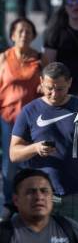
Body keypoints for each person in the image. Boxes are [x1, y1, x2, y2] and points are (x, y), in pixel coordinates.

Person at [9, 63, 78, 228]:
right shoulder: (29, 111)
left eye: (60, 89)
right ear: (41, 82)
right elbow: (14, 153)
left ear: (70, 83)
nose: (54, 94)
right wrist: (34, 148)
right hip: (40, 195)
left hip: (75, 193)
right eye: (49, 88)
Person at [0, 19, 42, 207]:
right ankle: (10, 201)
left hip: (32, 120)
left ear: (33, 36)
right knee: (10, 164)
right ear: (12, 36)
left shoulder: (40, 59)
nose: (24, 35)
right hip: (7, 118)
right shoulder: (3, 59)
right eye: (20, 31)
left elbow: (47, 87)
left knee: (30, 163)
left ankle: (27, 202)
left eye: (28, 31)